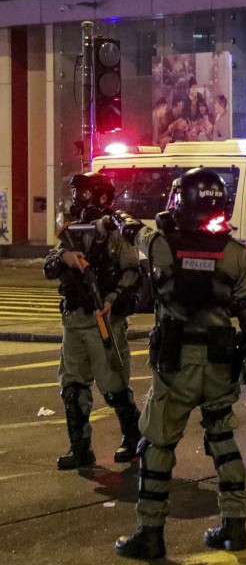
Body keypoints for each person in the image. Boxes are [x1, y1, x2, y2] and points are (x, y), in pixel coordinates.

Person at [112, 168, 246, 559]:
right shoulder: (235, 253)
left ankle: (151, 532)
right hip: (218, 361)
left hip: (176, 363)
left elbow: (135, 233)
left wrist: (119, 216)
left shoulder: (163, 244)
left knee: (157, 444)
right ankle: (234, 525)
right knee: (223, 440)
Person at [43, 172, 142, 469]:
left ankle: (133, 438)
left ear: (100, 196)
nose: (78, 199)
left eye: (83, 193)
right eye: (76, 193)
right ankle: (80, 448)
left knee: (113, 386)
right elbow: (49, 266)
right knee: (72, 386)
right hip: (74, 319)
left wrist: (112, 299)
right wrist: (65, 259)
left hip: (104, 320)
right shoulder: (72, 230)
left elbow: (132, 272)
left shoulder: (115, 231)